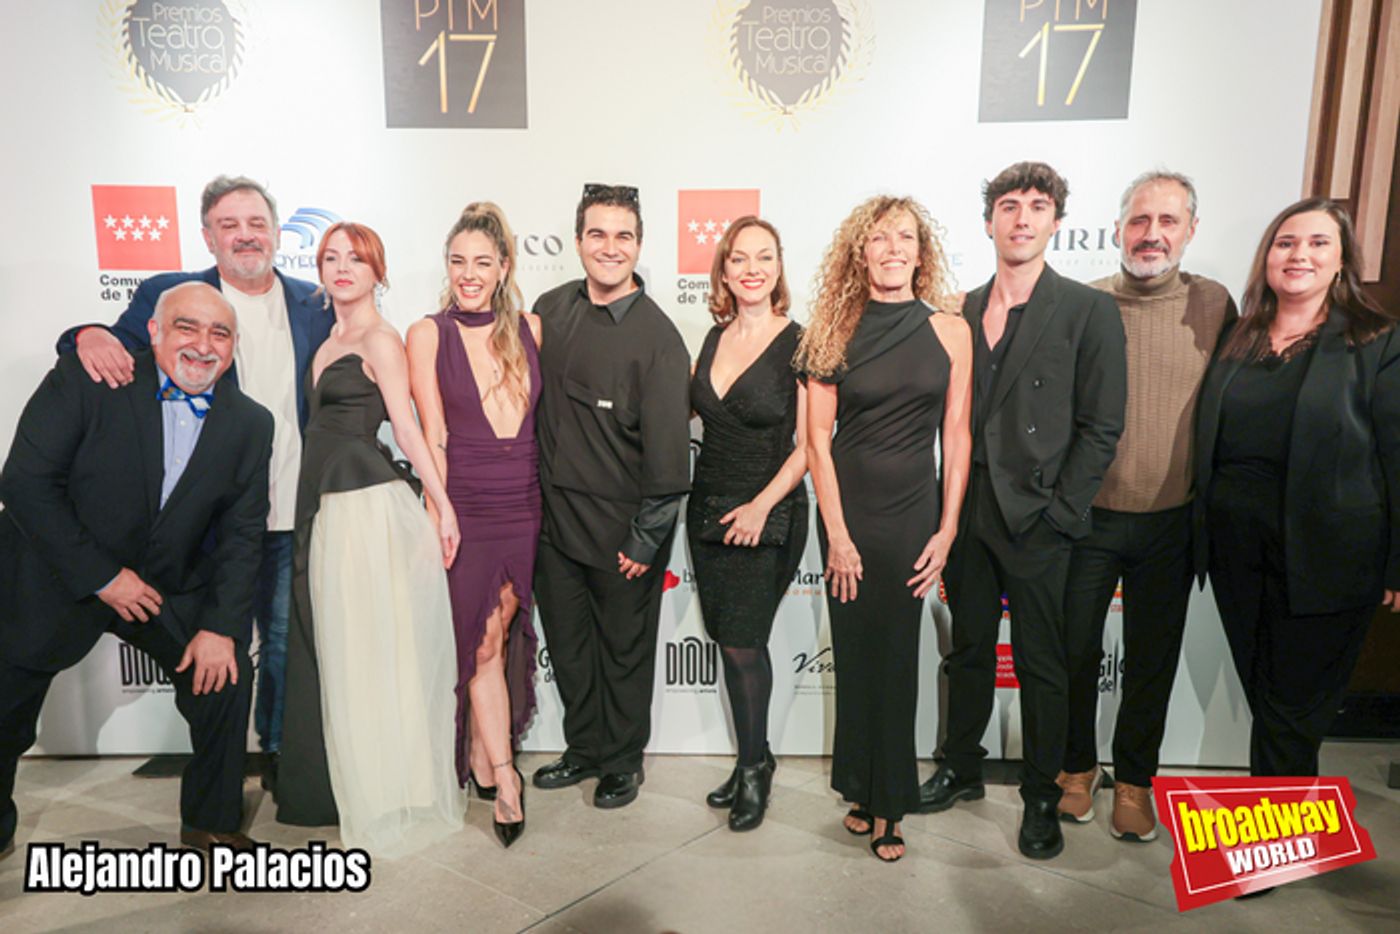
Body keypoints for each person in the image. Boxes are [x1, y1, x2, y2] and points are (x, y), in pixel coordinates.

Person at [59, 176, 334, 772]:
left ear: (277, 232)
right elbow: (111, 348)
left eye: (256, 223)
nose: (245, 235)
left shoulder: (316, 303)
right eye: (229, 225)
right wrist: (84, 334)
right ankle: (220, 766)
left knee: (283, 642)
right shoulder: (173, 295)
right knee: (212, 642)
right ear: (208, 237)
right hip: (207, 521)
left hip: (292, 509)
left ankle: (279, 755)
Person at [1, 282, 272, 855]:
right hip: (54, 571)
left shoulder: (250, 422)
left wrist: (220, 627)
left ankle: (211, 823)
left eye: (220, 333)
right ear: (153, 331)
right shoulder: (92, 379)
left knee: (225, 677)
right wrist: (103, 577)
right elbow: (25, 484)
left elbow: (243, 534)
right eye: (186, 327)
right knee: (5, 715)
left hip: (162, 582)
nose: (203, 345)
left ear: (234, 346)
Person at [922, 162, 1127, 861]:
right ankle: (960, 767)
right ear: (989, 221)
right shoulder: (959, 309)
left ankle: (1041, 796)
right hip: (968, 511)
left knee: (1042, 664)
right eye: (1009, 205)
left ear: (1056, 223)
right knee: (969, 651)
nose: (1022, 218)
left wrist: (1061, 512)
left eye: (1038, 206)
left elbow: (1102, 425)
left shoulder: (1087, 310)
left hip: (1039, 518)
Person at [274, 223, 464, 856]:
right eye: (330, 258)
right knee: (337, 646)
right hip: (325, 502)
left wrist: (442, 506)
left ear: (378, 271)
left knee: (365, 647)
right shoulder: (328, 340)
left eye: (356, 259)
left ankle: (385, 790)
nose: (342, 268)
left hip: (361, 508)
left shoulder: (381, 339)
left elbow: (406, 429)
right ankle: (341, 785)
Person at [1196, 198, 1399, 782]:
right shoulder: (1237, 337)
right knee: (1268, 698)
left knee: (1292, 708)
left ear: (1342, 261)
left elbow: (1397, 456)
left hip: (1330, 557)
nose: (1299, 254)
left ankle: (1275, 823)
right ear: (1267, 256)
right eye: (1285, 243)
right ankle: (1287, 810)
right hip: (1237, 553)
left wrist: (1398, 563)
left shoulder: (1377, 342)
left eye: (1317, 243)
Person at [1060, 171, 1237, 841]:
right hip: (1088, 519)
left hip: (1172, 522)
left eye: (1168, 221)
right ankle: (1077, 769)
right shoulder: (1083, 303)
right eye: (1139, 220)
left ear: (1191, 231)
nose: (1152, 234)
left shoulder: (1215, 305)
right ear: (1117, 230)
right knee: (1073, 653)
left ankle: (1135, 780)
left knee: (1151, 662)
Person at [797, 196, 972, 862]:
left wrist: (947, 529)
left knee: (897, 657)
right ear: (860, 251)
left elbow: (957, 436)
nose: (893, 248)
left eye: (905, 237)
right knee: (856, 653)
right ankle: (859, 786)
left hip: (912, 515)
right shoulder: (833, 327)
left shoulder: (950, 331)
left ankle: (890, 803)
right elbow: (817, 440)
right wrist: (838, 535)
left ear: (921, 253)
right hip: (848, 511)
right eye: (879, 238)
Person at [530, 184, 691, 809]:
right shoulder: (550, 310)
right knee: (570, 650)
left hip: (624, 532)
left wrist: (646, 539)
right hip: (553, 526)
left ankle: (622, 761)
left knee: (623, 652)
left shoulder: (659, 339)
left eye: (623, 235)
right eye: (597, 233)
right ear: (577, 242)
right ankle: (585, 749)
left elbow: (670, 458)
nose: (610, 247)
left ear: (639, 245)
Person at [406, 203, 542, 847]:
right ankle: (507, 779)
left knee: (503, 634)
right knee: (482, 644)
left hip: (526, 505)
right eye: (458, 261)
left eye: (482, 262)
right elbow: (432, 435)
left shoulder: (532, 330)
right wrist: (440, 513)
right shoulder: (427, 334)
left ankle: (488, 761)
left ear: (503, 268)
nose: (469, 274)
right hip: (469, 505)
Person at [688, 216, 809, 832]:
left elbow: (811, 445)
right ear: (725, 270)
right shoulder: (713, 338)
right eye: (740, 258)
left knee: (744, 641)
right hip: (708, 507)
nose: (752, 269)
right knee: (728, 641)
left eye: (765, 257)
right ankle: (750, 759)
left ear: (779, 266)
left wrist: (762, 505)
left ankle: (756, 770)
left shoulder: (802, 343)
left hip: (769, 508)